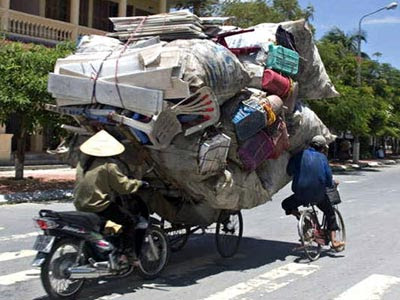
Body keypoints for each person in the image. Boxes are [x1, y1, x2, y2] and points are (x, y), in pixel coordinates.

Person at [74, 130, 149, 264]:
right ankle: (128, 255)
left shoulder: (83, 163)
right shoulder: (109, 166)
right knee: (130, 221)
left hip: (80, 204)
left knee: (110, 223)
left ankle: (107, 247)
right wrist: (139, 184)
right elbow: (123, 186)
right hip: (98, 206)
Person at [282, 135, 345, 251]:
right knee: (330, 212)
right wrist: (332, 183)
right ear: (322, 148)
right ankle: (334, 241)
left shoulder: (299, 155)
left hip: (300, 194)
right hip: (318, 195)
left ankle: (300, 217)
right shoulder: (322, 159)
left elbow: (289, 171)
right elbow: (327, 181)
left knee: (285, 204)